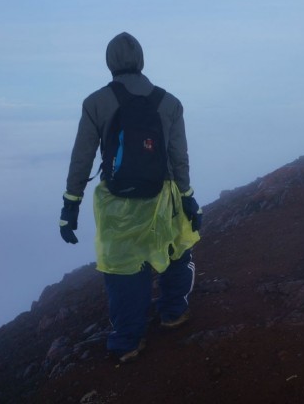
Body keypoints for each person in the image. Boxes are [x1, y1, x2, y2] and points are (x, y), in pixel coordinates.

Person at [59, 32, 202, 363]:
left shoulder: (96, 102)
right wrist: (188, 198)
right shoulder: (169, 102)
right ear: (141, 61)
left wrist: (71, 205)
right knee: (176, 251)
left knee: (124, 268)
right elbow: (179, 158)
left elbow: (81, 158)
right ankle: (173, 313)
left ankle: (127, 342)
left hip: (117, 204)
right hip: (164, 198)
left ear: (110, 63)